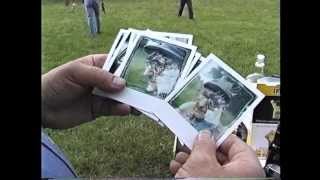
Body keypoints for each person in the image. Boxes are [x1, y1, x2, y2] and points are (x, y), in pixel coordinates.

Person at [42, 54, 265, 178]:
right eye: (205, 95)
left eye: (215, 100)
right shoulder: (186, 107)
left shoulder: (213, 123)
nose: (205, 102)